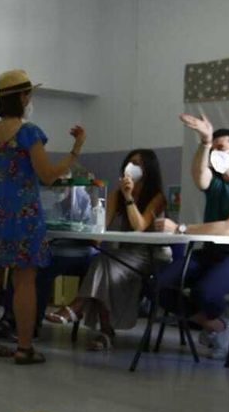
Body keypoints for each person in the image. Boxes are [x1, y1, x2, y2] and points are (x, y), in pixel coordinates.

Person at [0, 69, 84, 364]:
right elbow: (47, 175)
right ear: (22, 97)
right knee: (24, 281)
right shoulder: (28, 132)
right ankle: (24, 348)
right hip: (25, 213)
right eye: (28, 94)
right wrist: (75, 151)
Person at [155, 114, 229, 358]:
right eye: (213, 149)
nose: (214, 154)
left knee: (204, 291)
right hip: (210, 253)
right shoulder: (216, 184)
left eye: (221, 148)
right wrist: (205, 142)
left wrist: (181, 228)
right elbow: (199, 176)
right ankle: (218, 324)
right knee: (158, 285)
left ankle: (214, 311)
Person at [52, 149, 167, 351]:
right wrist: (95, 201)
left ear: (148, 169)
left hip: (146, 256)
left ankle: (77, 308)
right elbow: (101, 229)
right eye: (130, 162)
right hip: (121, 253)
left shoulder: (157, 197)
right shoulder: (116, 193)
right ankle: (104, 332)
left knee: (103, 263)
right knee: (101, 262)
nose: (132, 167)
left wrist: (129, 197)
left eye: (138, 164)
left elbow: (140, 226)